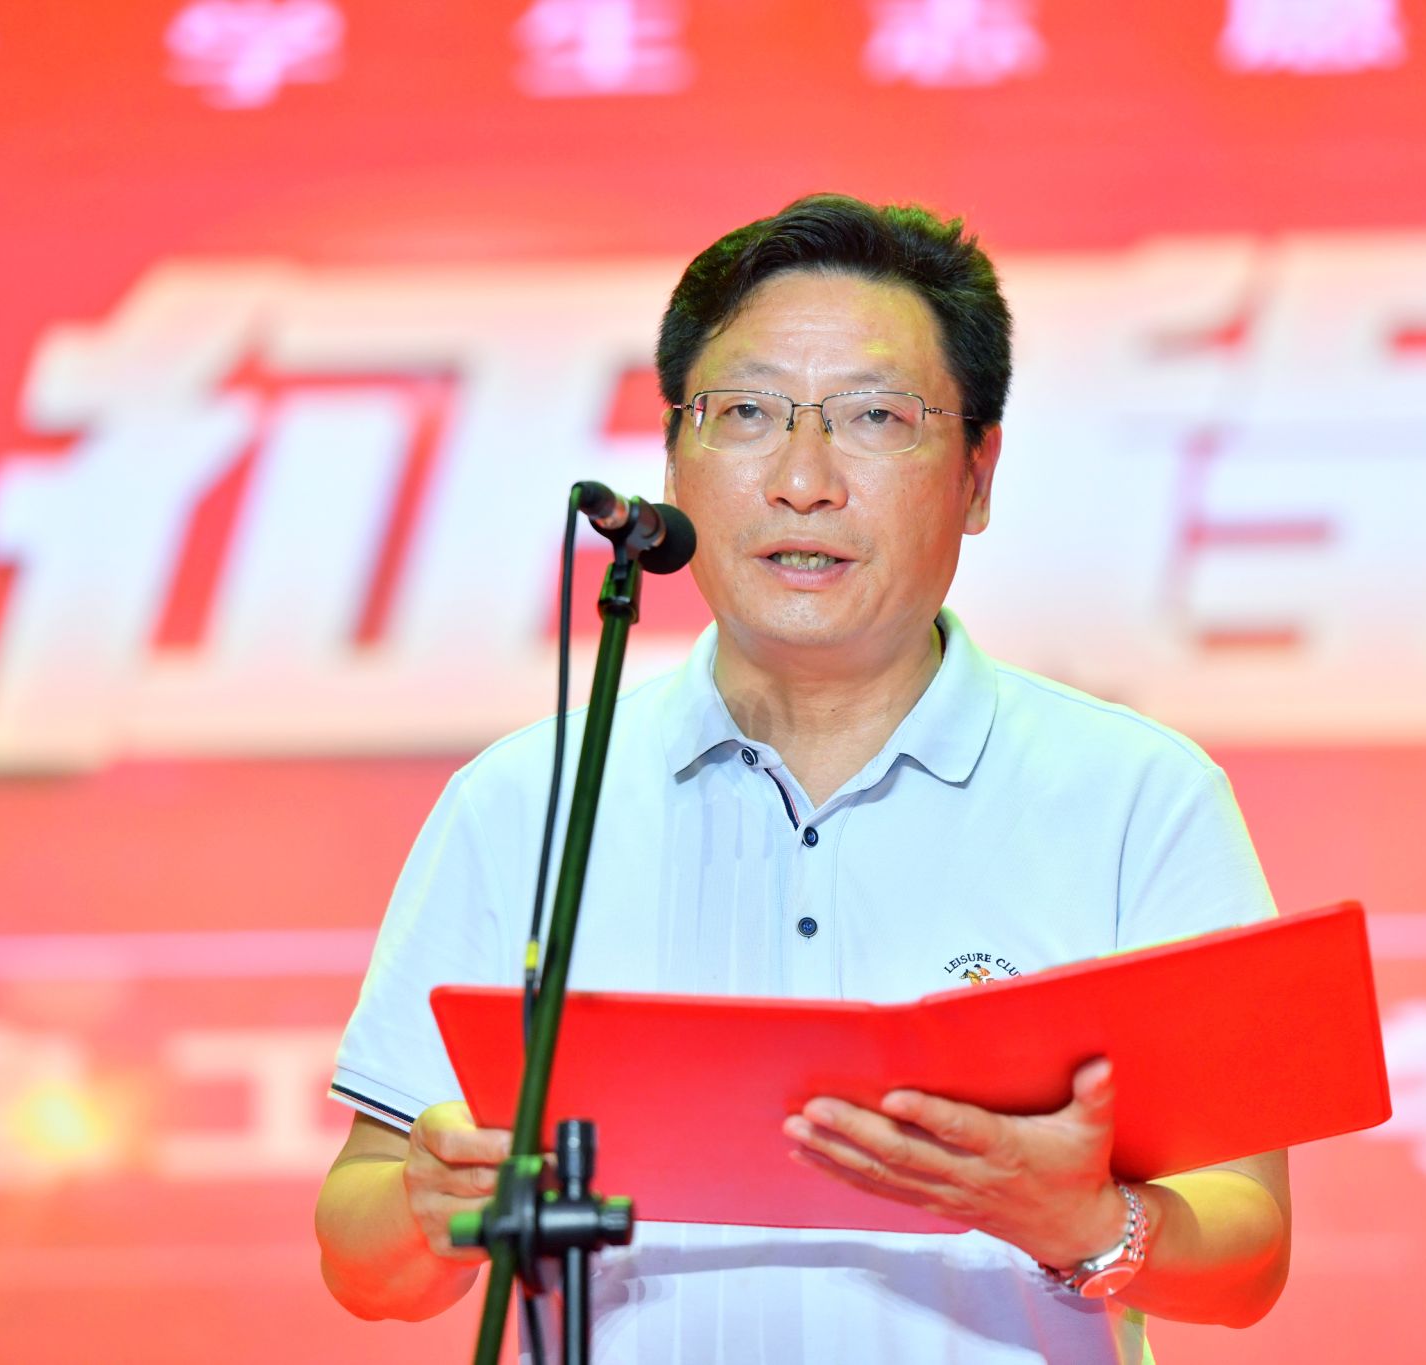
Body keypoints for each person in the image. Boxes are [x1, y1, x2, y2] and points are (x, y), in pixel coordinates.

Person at [314, 193, 1292, 1363]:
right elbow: (362, 1259)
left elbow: (1247, 1254)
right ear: (673, 456)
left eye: (875, 417)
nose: (802, 480)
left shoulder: (1134, 795)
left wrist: (1084, 1223)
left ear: (977, 473)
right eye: (744, 413)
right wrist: (428, 1208)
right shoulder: (525, 800)